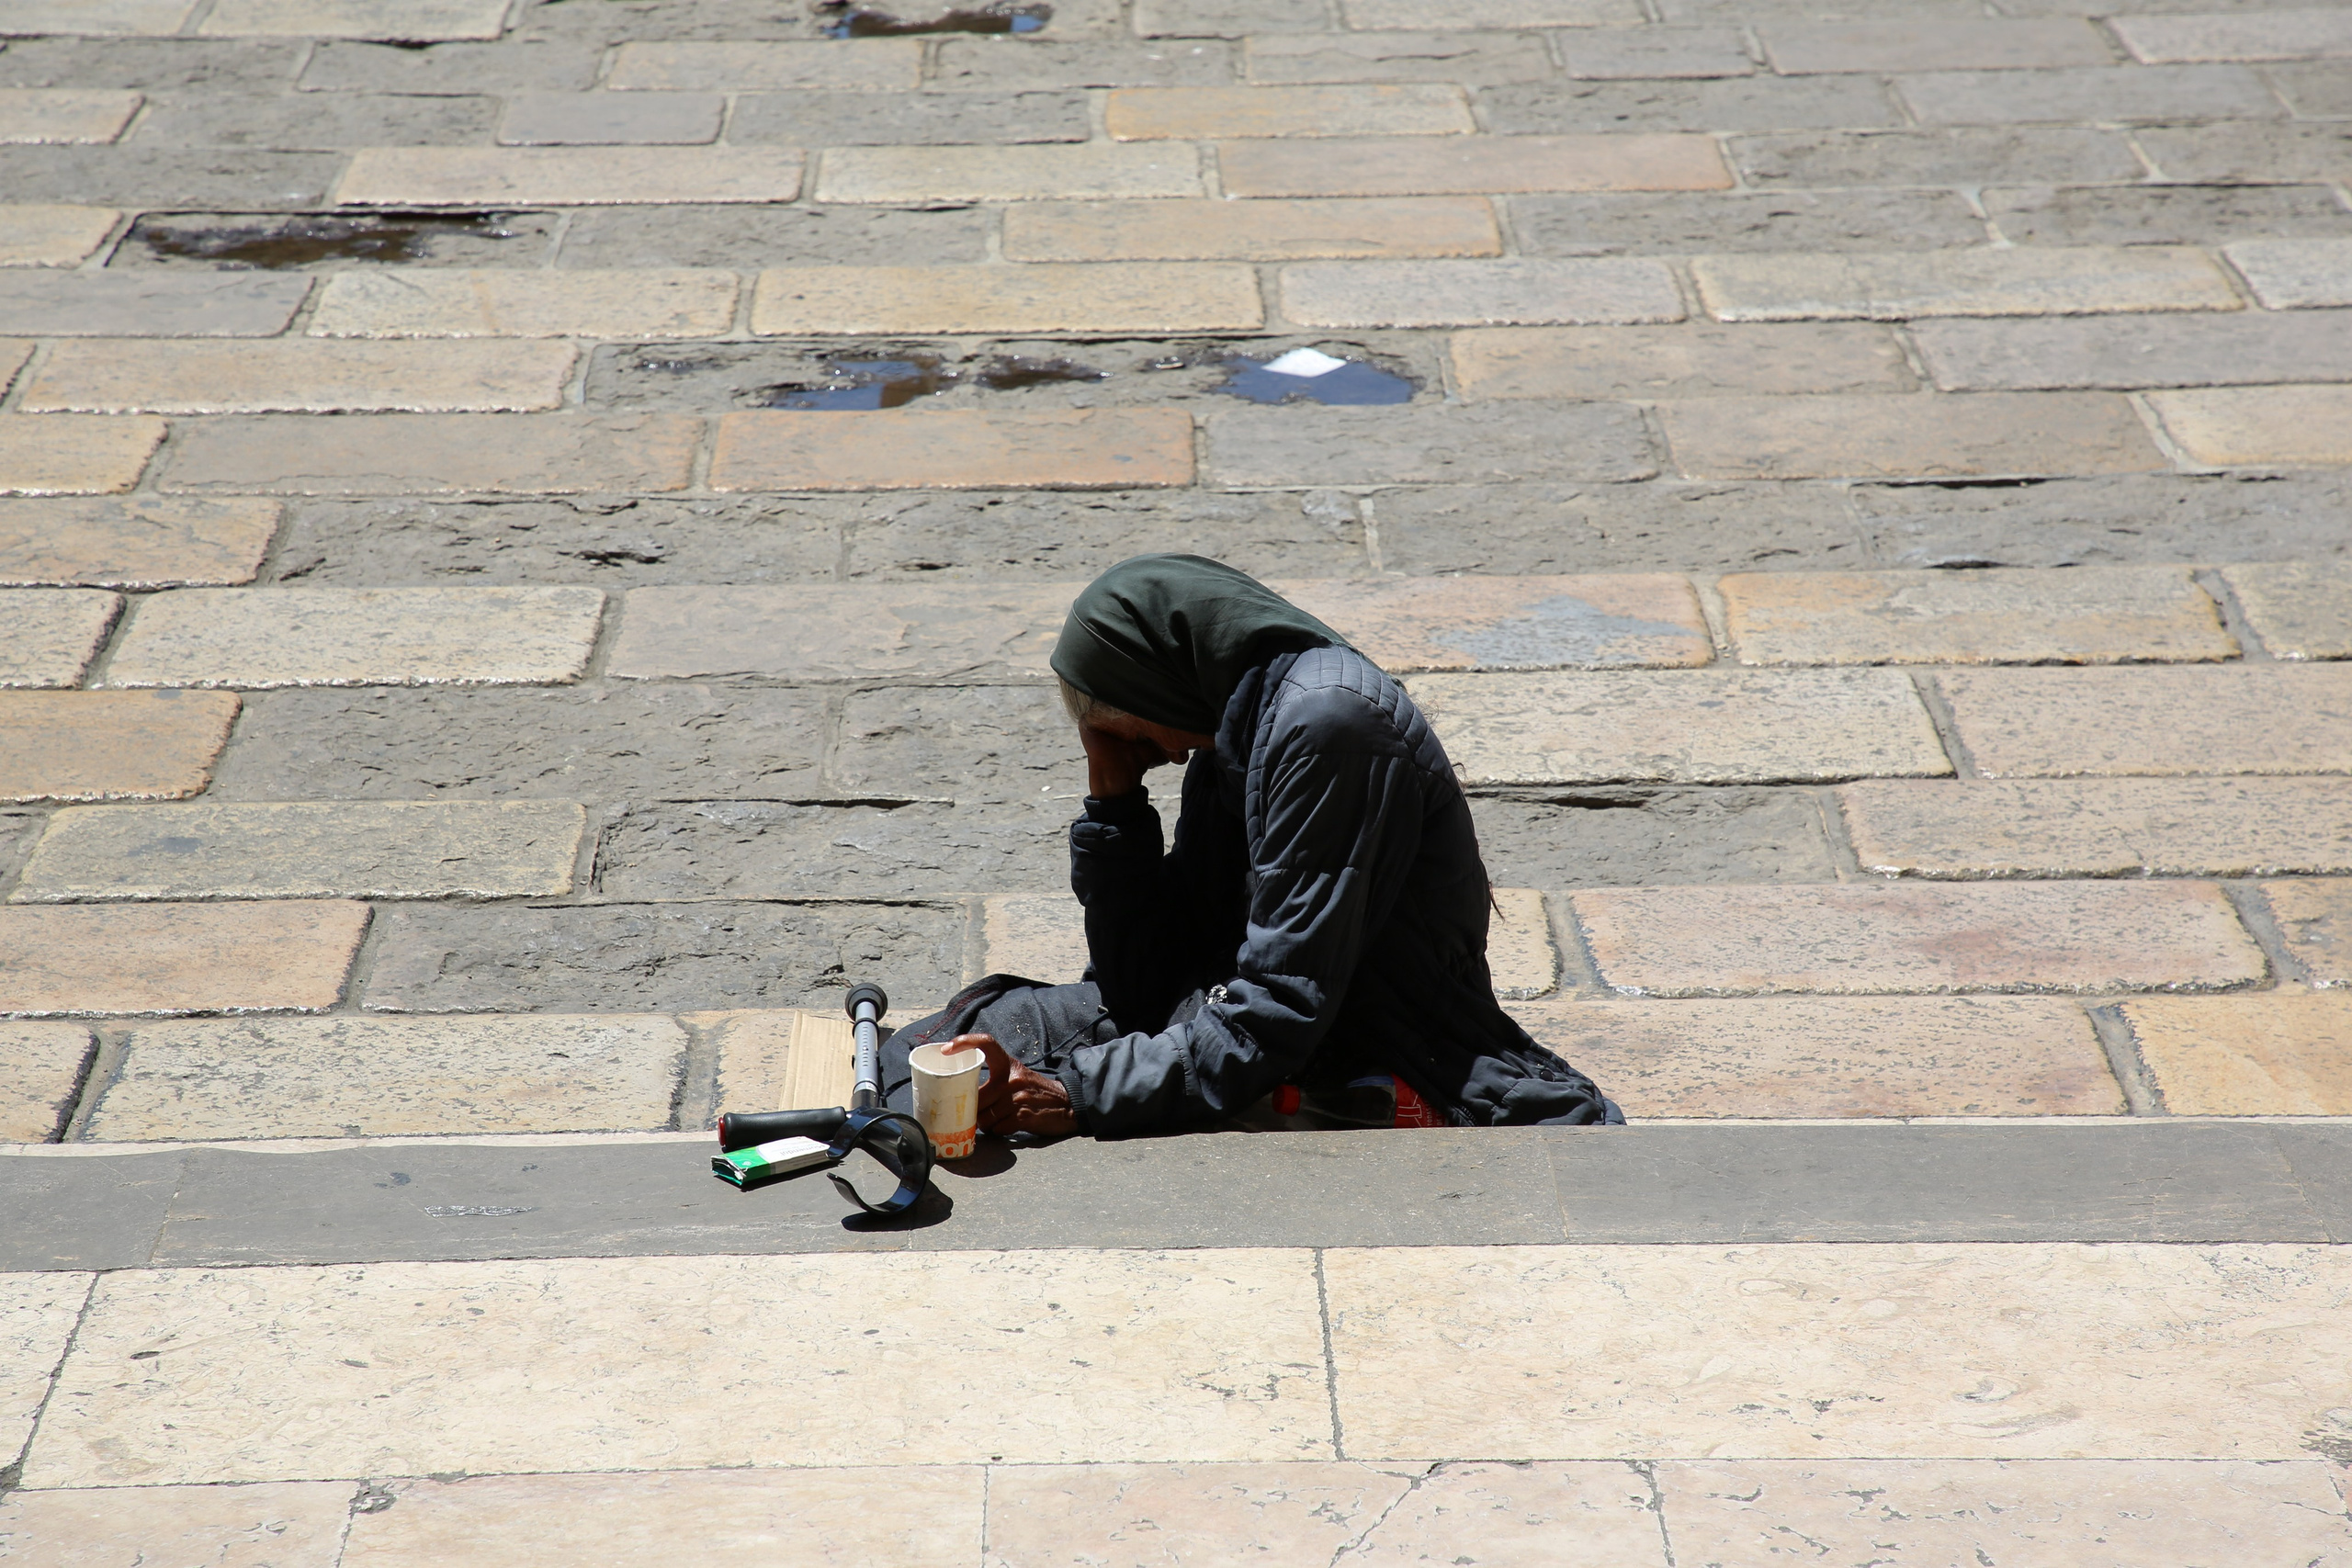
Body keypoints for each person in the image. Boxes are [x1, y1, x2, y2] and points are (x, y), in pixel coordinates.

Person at [877, 553, 1621, 1138]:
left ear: (1161, 677)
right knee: (919, 1060)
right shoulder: (1235, 725)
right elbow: (1145, 978)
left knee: (1001, 1102)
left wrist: (1075, 1094)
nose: (1152, 752)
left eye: (1127, 726)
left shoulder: (1329, 731)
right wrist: (1114, 803)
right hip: (1224, 1011)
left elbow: (1277, 1013)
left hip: (1372, 1049)